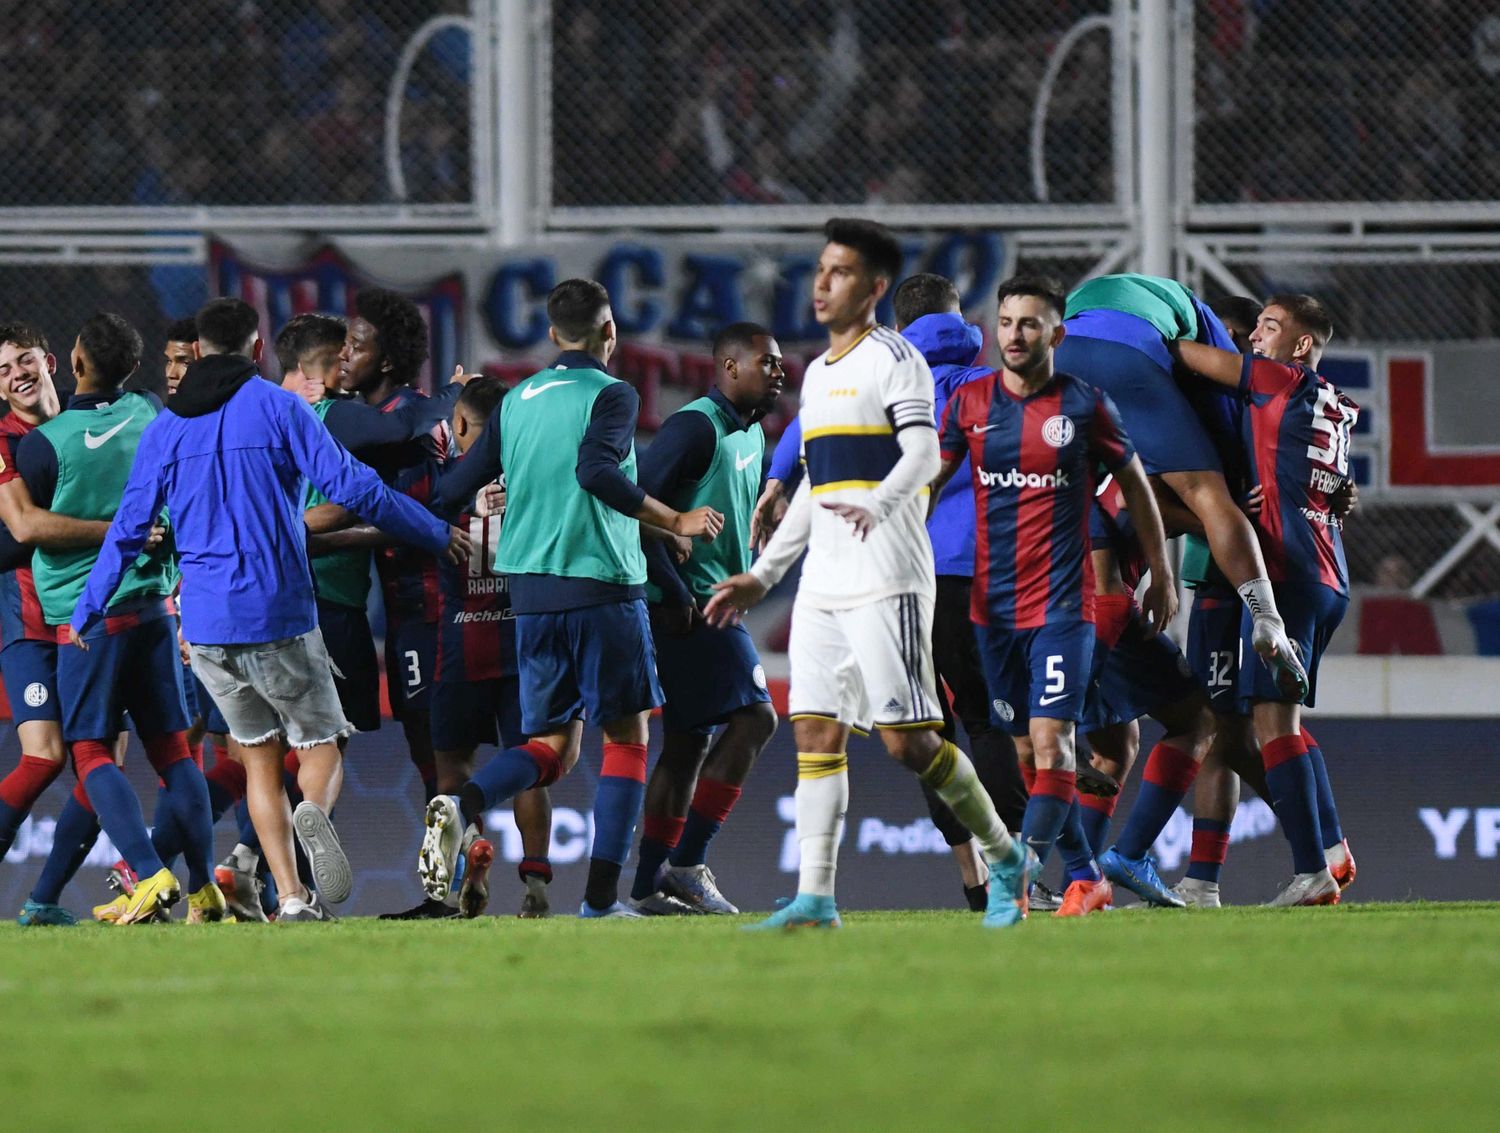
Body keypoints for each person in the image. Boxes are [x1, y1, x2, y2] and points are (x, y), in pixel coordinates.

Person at [70, 297, 468, 923]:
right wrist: (437, 533)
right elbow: (357, 488)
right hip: (276, 614)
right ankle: (312, 808)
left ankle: (289, 896)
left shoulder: (166, 427)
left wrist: (87, 608)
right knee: (322, 744)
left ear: (198, 352)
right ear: (256, 351)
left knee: (255, 760)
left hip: (204, 629)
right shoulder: (280, 408)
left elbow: (128, 527)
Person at [706, 219, 1030, 930]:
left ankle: (1006, 856)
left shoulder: (898, 361)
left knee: (908, 740)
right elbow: (816, 493)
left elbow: (923, 453)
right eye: (820, 270)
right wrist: (763, 577)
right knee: (816, 732)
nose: (821, 283)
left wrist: (881, 505)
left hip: (890, 573)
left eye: (840, 272)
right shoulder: (818, 375)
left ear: (876, 289)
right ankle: (817, 897)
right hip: (824, 578)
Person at [425, 278, 723, 918]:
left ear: (553, 334)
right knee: (627, 739)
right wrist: (675, 521)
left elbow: (454, 487)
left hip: (529, 598)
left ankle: (464, 804)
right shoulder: (613, 394)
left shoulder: (516, 399)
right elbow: (596, 472)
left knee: (553, 749)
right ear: (609, 333)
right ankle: (598, 902)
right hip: (600, 586)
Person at [931, 275, 1177, 918]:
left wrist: (1162, 569)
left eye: (1030, 324)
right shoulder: (972, 403)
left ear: (1056, 334)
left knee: (1050, 741)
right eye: (1007, 322)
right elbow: (931, 479)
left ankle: (1018, 879)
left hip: (1063, 606)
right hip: (993, 608)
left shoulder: (1085, 406)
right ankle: (1088, 875)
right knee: (1021, 754)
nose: (1015, 334)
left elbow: (1137, 487)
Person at [10, 313, 221, 925]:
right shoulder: (153, 412)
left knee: (91, 752)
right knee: (174, 754)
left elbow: (34, 527)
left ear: (72, 365)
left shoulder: (41, 445)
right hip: (157, 607)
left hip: (88, 617)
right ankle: (204, 888)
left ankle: (149, 874)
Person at [1172, 294, 1358, 907]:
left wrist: (1140, 332)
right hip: (1329, 575)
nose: (1253, 338)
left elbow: (1185, 354)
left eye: (1269, 328)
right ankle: (1326, 850)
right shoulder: (1335, 401)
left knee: (1272, 722)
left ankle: (1313, 870)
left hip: (1290, 573)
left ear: (1300, 346)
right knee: (1276, 720)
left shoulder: (1281, 377)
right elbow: (1326, 480)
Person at [1058, 274, 1308, 701]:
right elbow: (1225, 400)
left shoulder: (1096, 297)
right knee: (1208, 493)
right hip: (1131, 358)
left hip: (1061, 355)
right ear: (1232, 336)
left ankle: (1061, 695)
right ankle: (1268, 619)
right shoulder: (1209, 330)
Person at [374, 377, 551, 921]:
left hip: (459, 641)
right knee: (527, 766)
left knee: (449, 771)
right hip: (523, 643)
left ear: (464, 427)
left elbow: (394, 522)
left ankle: (444, 891)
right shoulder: (536, 481)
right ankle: (537, 885)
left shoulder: (445, 487)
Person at [629, 321, 783, 915]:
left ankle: (645, 887)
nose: (777, 373)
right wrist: (673, 594)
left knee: (689, 743)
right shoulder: (695, 427)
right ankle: (687, 863)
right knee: (756, 719)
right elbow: (635, 507)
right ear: (728, 367)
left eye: (778, 364)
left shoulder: (750, 434)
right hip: (688, 605)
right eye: (765, 363)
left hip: (716, 602)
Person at [889, 272, 1030, 911]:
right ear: (964, 324)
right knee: (991, 718)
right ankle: (1015, 872)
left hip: (900, 579)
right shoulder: (996, 387)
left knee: (930, 729)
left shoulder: (879, 387)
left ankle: (974, 883)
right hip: (983, 573)